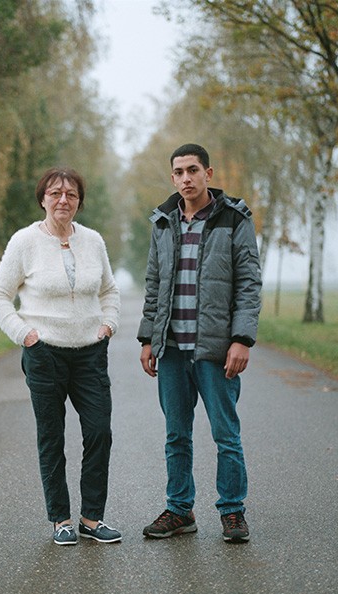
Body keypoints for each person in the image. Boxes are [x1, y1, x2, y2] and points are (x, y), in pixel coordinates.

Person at [0, 166, 122, 546]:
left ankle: (92, 519)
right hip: (45, 355)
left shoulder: (93, 241)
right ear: (43, 198)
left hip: (90, 354)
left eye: (72, 194)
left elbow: (109, 290)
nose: (64, 200)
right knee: (52, 437)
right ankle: (61, 520)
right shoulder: (24, 242)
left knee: (99, 432)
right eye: (55, 193)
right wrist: (25, 334)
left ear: (79, 201)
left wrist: (108, 325)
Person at [137, 143, 262, 543]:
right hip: (172, 350)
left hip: (215, 350)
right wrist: (147, 338)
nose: (186, 178)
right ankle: (179, 510)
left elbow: (248, 282)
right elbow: (154, 285)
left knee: (226, 434)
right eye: (178, 172)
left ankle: (232, 512)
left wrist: (241, 339)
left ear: (209, 172)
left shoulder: (234, 218)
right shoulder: (162, 222)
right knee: (177, 434)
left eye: (193, 170)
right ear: (172, 177)